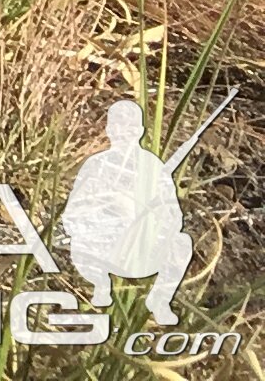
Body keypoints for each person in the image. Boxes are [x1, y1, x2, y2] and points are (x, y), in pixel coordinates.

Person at [63, 99, 196, 323]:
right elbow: (72, 215)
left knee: (181, 243)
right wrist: (110, 207)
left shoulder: (153, 167)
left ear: (141, 131)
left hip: (143, 248)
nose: (123, 132)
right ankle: (100, 287)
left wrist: (147, 219)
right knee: (80, 242)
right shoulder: (96, 165)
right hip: (103, 247)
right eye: (117, 125)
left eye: (130, 127)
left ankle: (160, 300)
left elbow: (174, 216)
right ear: (107, 129)